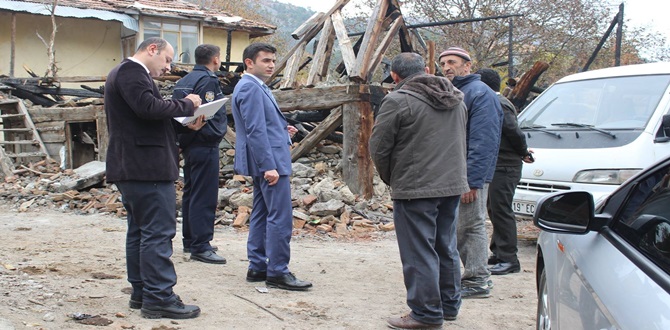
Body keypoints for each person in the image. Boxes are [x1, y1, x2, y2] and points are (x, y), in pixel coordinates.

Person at [105, 37, 206, 319]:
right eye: (167, 60)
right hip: (144, 167)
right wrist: (186, 104)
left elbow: (149, 121)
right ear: (152, 49)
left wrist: (189, 127)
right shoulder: (130, 72)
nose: (167, 67)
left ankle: (143, 293)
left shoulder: (130, 74)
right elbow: (148, 108)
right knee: (157, 233)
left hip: (136, 166)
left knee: (140, 232)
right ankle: (159, 297)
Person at [370, 53, 469, 329]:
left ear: (395, 77)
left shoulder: (398, 100)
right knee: (445, 246)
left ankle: (425, 313)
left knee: (418, 251)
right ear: (426, 70)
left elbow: (378, 148)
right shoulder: (457, 98)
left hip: (416, 187)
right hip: (451, 185)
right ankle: (448, 306)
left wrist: (392, 178)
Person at [231, 42, 312, 291]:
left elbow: (261, 125)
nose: (271, 65)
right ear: (249, 63)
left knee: (262, 213)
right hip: (271, 163)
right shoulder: (250, 87)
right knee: (280, 217)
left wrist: (281, 129)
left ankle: (258, 266)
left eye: (273, 60)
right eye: (265, 60)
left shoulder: (254, 86)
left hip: (267, 159)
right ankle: (277, 271)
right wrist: (268, 165)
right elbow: (254, 129)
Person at [439, 47, 503, 299]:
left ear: (468, 66)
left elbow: (483, 141)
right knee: (460, 225)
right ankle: (471, 276)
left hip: (468, 175)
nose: (446, 67)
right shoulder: (457, 92)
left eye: (452, 62)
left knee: (470, 225)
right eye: (443, 63)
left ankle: (478, 279)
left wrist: (472, 181)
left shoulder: (480, 93)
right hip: (455, 173)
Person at [172, 44, 228, 264]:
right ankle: (201, 245)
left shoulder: (183, 81)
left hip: (187, 143)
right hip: (203, 143)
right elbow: (208, 111)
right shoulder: (209, 80)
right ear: (215, 59)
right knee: (204, 195)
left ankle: (190, 239)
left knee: (191, 191)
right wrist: (214, 134)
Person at [476, 68, 534, 275]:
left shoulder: (499, 103)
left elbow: (513, 131)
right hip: (498, 163)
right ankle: (498, 252)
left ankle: (510, 259)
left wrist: (523, 152)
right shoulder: (494, 101)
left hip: (506, 164)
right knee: (494, 208)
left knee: (501, 210)